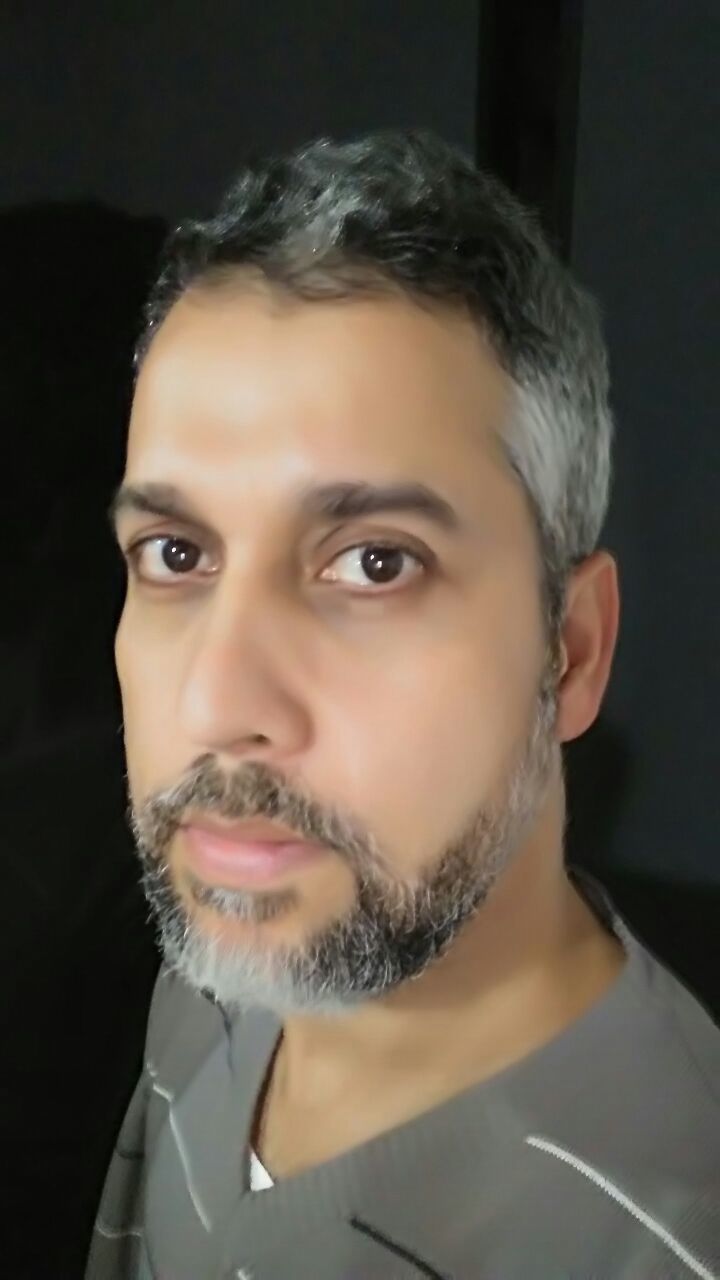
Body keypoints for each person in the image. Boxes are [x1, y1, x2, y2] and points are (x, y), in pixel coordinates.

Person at [85, 129, 719, 1280]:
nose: (218, 699)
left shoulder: (673, 1234)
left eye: (375, 563)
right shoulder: (215, 978)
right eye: (176, 551)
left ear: (568, 652)